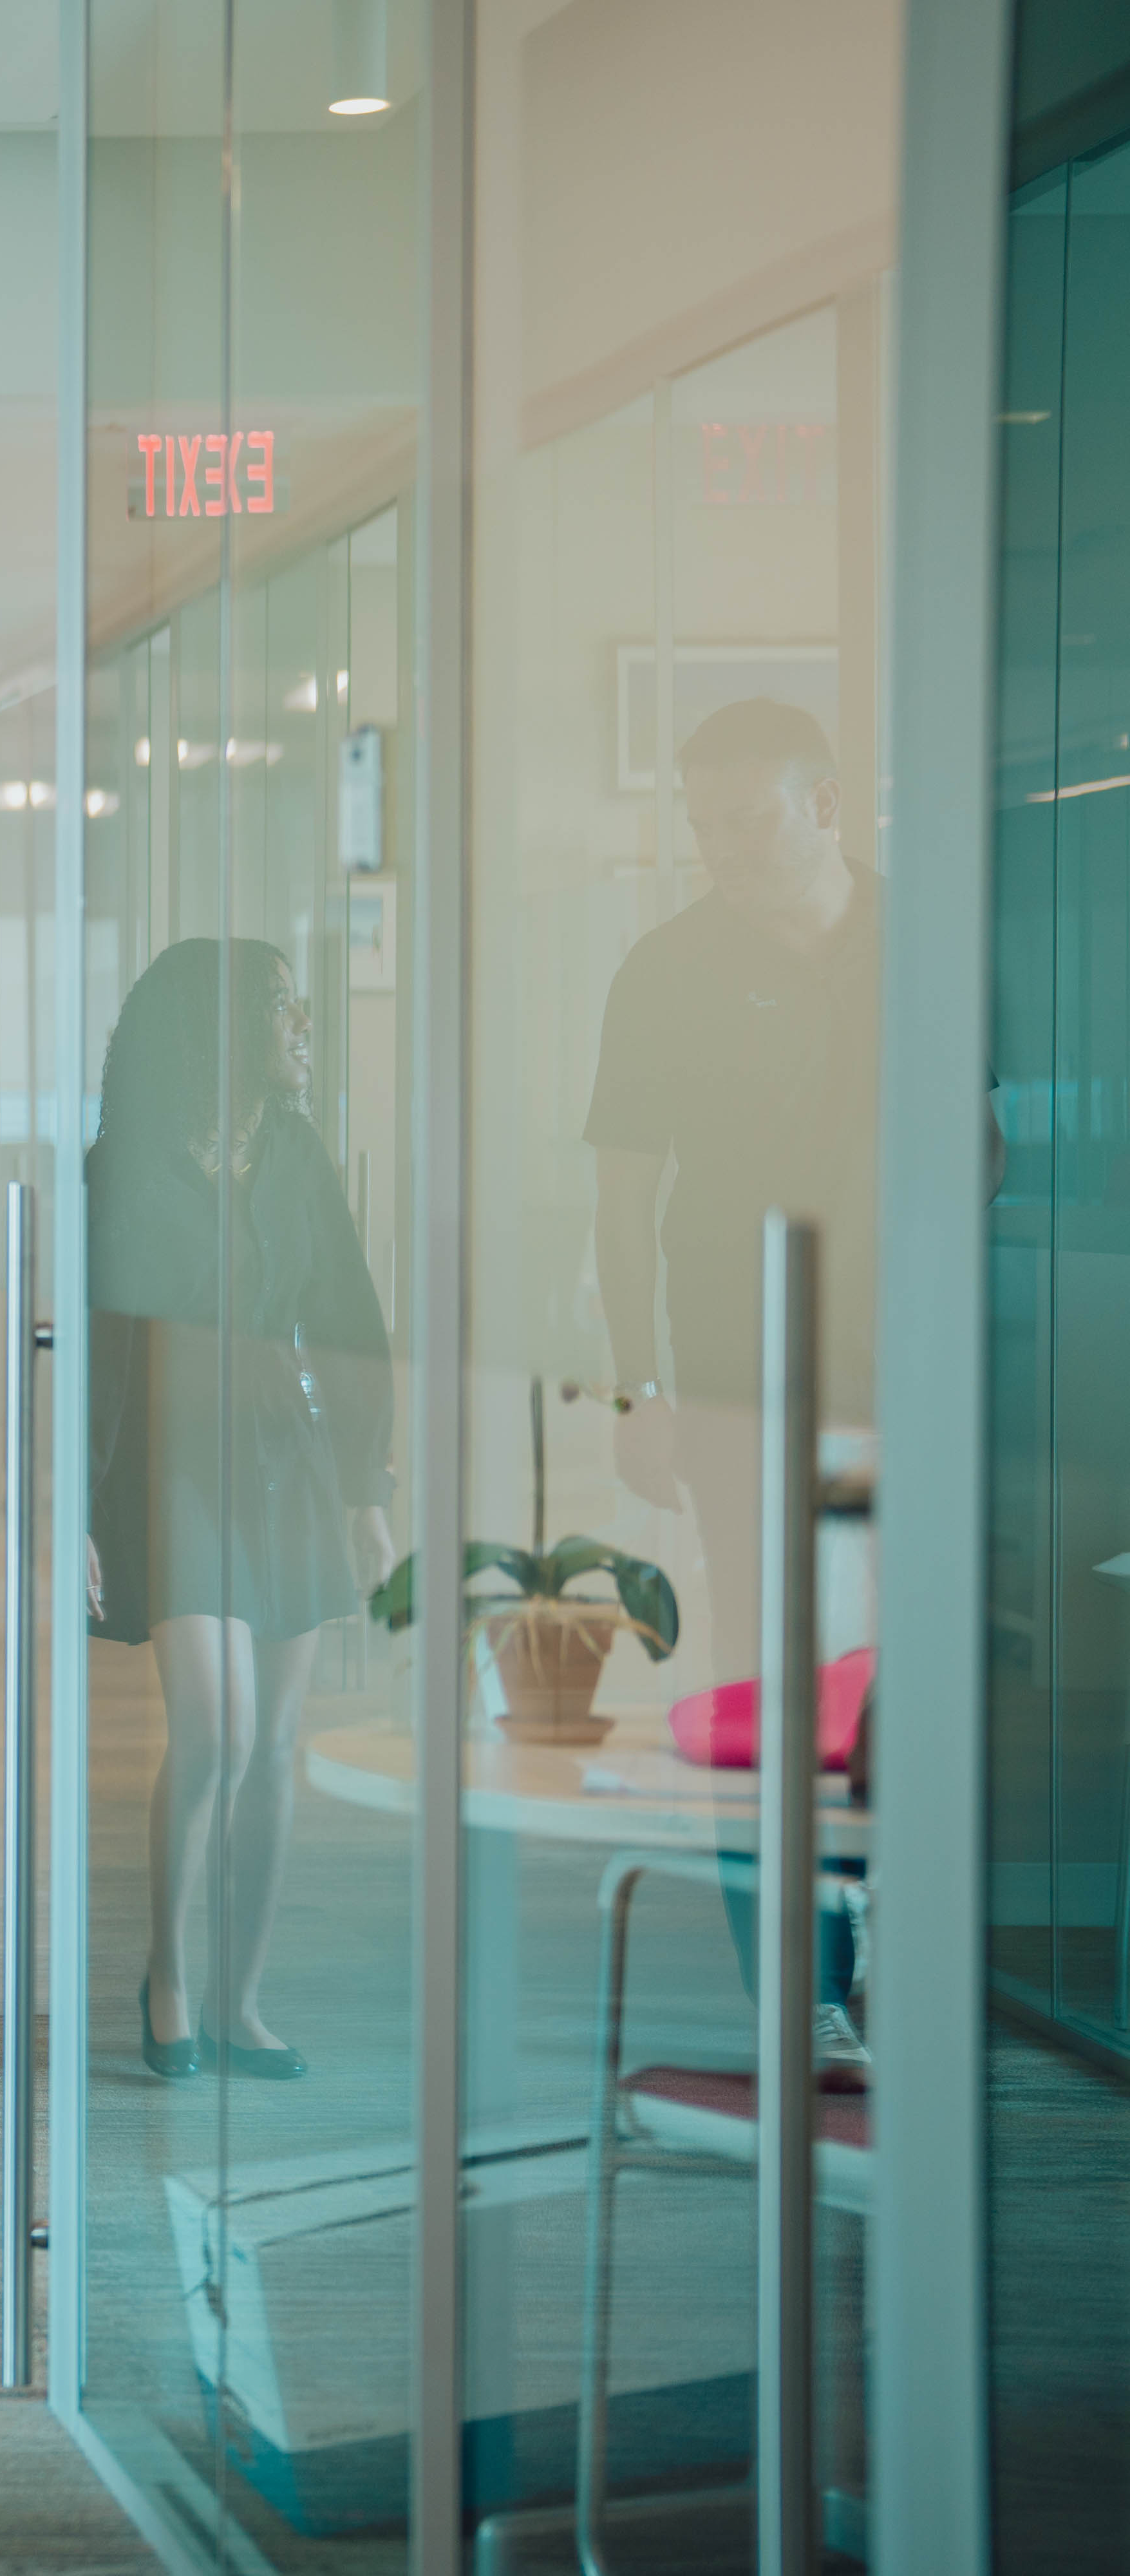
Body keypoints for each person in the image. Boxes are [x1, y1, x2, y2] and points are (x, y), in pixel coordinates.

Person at [587, 698, 883, 2040]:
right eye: (703, 824)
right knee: (766, 1670)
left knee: (892, 1664)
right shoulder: (666, 967)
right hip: (730, 1372)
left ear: (826, 805)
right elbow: (621, 1199)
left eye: (747, 820)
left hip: (906, 1370)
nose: (723, 848)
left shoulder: (925, 936)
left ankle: (884, 1949)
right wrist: (635, 1386)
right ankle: (795, 1988)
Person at [85, 938, 391, 2083]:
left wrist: (369, 1485)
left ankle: (242, 2000)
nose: (301, 1028)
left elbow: (351, 1321)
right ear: (220, 1031)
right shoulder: (123, 1165)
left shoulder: (294, 1152)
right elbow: (89, 1345)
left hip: (287, 1458)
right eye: (280, 1009)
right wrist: (72, 1501)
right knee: (214, 1728)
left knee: (274, 1746)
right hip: (170, 1463)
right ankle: (168, 1975)